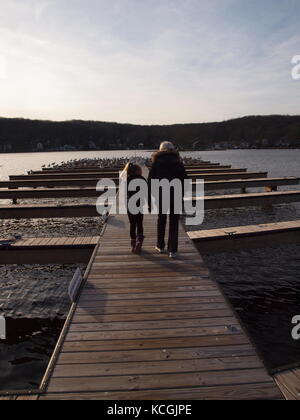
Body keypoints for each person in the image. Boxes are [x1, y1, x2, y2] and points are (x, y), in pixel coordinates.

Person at [148, 141, 187, 258]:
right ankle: (172, 250)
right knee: (174, 222)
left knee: (161, 220)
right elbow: (185, 181)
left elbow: (150, 183)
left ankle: (160, 246)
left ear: (160, 150)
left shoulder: (156, 163)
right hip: (175, 195)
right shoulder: (179, 163)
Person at [124, 162, 146, 254]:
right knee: (139, 224)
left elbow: (125, 193)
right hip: (139, 204)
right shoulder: (142, 179)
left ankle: (133, 245)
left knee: (132, 224)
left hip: (130, 205)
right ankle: (139, 243)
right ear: (138, 171)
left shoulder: (126, 180)